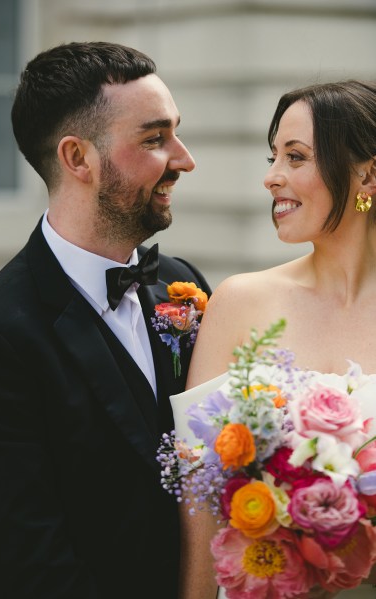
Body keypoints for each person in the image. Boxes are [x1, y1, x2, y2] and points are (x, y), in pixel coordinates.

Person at [0, 41, 211, 599]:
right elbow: (33, 565)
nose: (183, 158)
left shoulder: (185, 284)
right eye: (155, 139)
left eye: (175, 133)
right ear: (77, 158)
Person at [171, 80, 376, 599]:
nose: (271, 177)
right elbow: (199, 508)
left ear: (368, 174)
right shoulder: (240, 302)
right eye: (274, 156)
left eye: (296, 156)